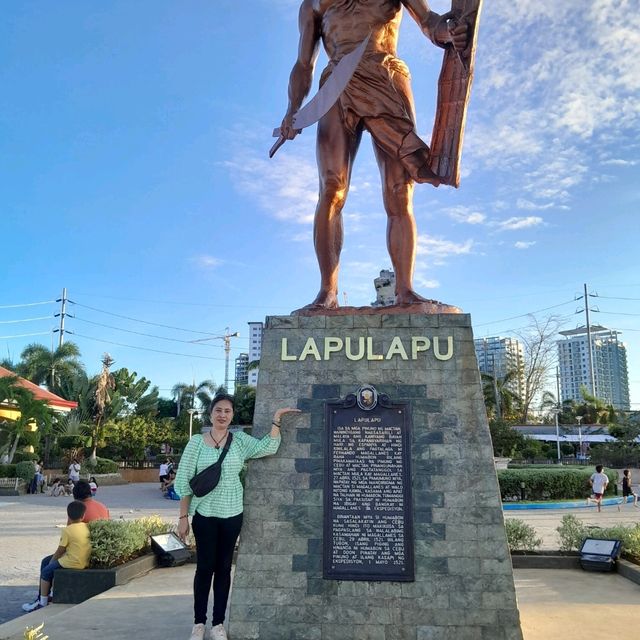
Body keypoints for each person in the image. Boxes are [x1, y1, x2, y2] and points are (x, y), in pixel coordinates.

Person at [278, 0, 468, 310]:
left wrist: (447, 33)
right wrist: (292, 110)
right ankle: (327, 293)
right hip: (336, 88)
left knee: (399, 190)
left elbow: (429, 20)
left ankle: (405, 290)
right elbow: (303, 65)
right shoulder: (312, 4)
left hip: (386, 76)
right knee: (331, 188)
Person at [174, 393, 300, 640]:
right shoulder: (196, 443)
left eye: (227, 411)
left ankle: (217, 624)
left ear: (232, 416)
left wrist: (276, 420)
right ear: (210, 413)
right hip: (204, 515)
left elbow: (267, 446)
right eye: (218, 410)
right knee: (204, 568)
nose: (222, 415)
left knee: (223, 569)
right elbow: (184, 483)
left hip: (232, 515)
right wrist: (182, 517)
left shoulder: (240, 441)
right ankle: (199, 623)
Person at [22, 500, 91, 611]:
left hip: (71, 561)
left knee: (46, 571)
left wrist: (52, 562)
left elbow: (60, 551)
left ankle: (42, 602)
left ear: (68, 516)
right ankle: (50, 594)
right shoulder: (87, 527)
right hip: (83, 560)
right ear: (83, 516)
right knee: (46, 562)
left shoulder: (67, 530)